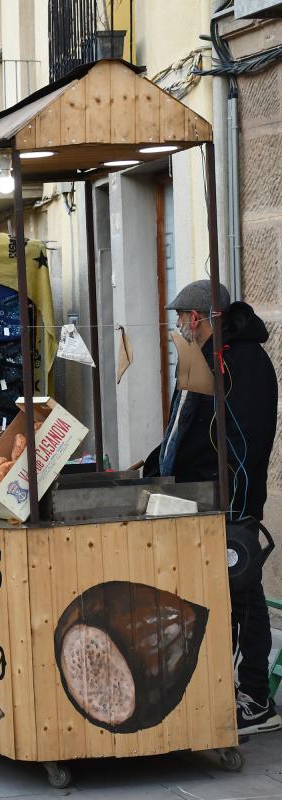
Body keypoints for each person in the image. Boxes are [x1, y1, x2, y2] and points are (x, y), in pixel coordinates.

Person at [158, 279, 279, 735]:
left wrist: (236, 507)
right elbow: (185, 428)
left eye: (180, 318)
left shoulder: (240, 362)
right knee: (221, 597)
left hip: (231, 503)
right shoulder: (204, 359)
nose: (178, 327)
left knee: (245, 597)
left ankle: (256, 699)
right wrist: (159, 470)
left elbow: (245, 441)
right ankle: (226, 686)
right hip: (200, 498)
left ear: (197, 318)